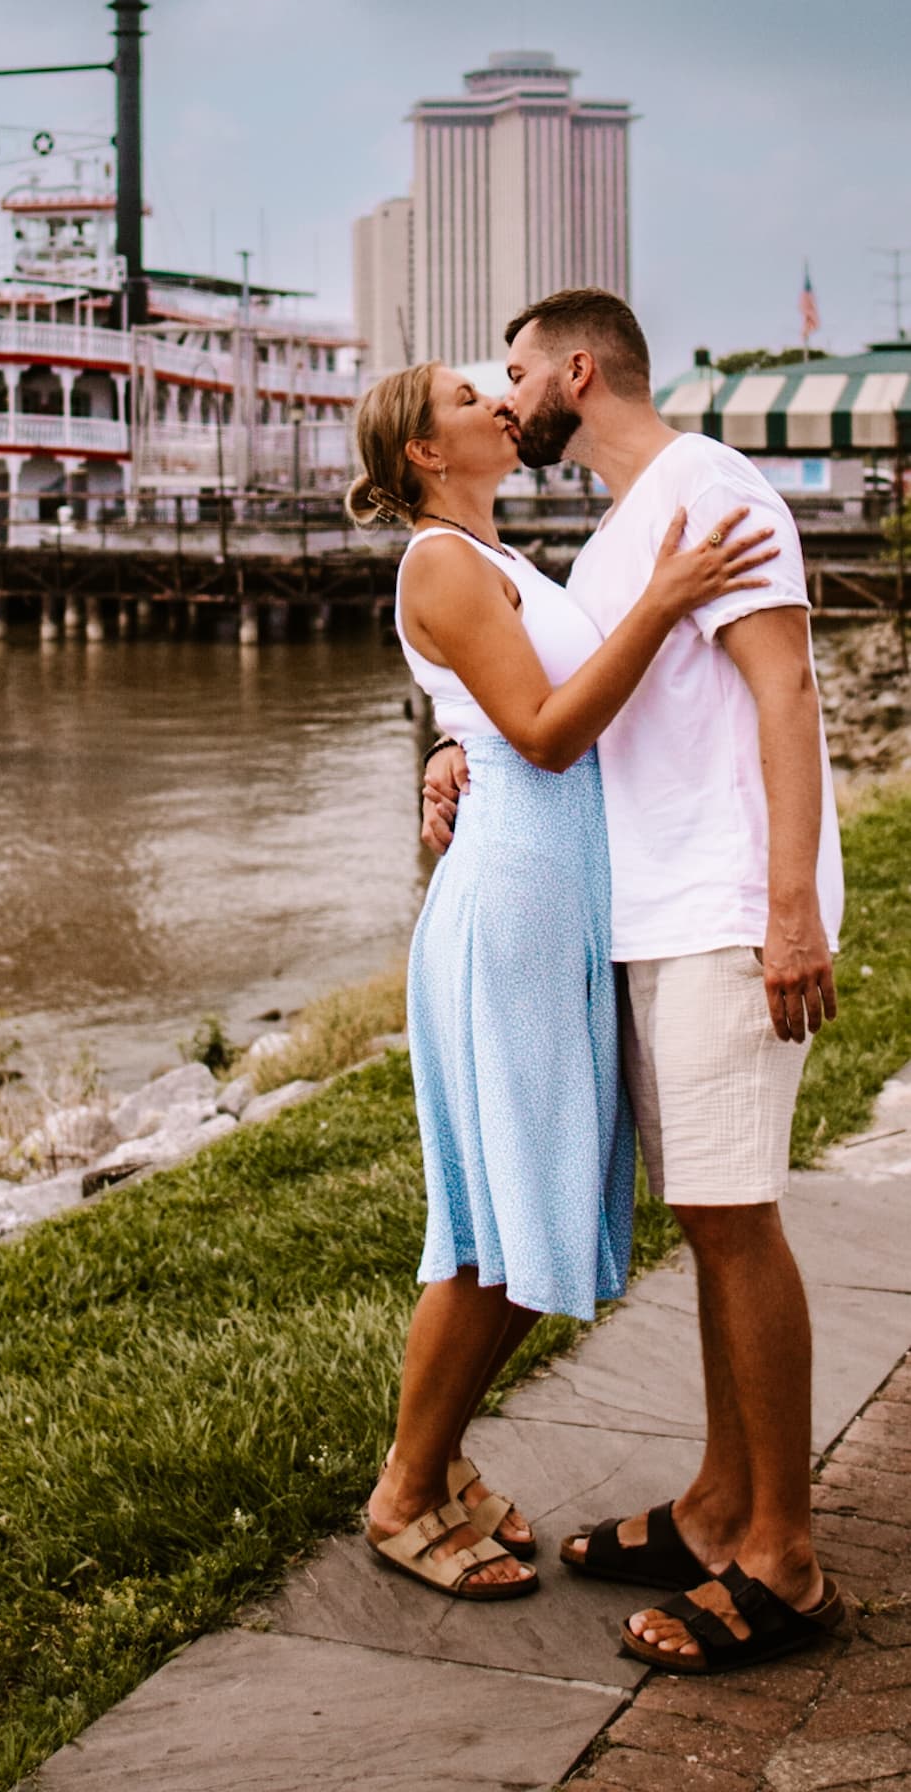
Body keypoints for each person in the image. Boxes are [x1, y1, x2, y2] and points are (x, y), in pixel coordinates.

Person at [423, 288, 845, 1671]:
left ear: (576, 371)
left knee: (735, 1221)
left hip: (725, 909)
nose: (504, 394)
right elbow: (562, 714)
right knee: (703, 1218)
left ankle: (780, 1559)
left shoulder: (710, 490)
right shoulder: (615, 535)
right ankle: (715, 1506)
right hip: (644, 912)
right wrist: (453, 761)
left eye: (516, 372)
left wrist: (788, 911)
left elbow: (782, 692)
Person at [350, 357, 776, 1604]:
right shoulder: (438, 558)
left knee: (522, 1208)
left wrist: (444, 738)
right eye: (466, 399)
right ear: (426, 453)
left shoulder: (496, 559)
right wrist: (667, 596)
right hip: (519, 905)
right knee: (491, 1229)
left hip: (555, 900)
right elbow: (541, 731)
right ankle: (404, 1488)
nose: (498, 403)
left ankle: (433, 1458)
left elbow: (482, 709)